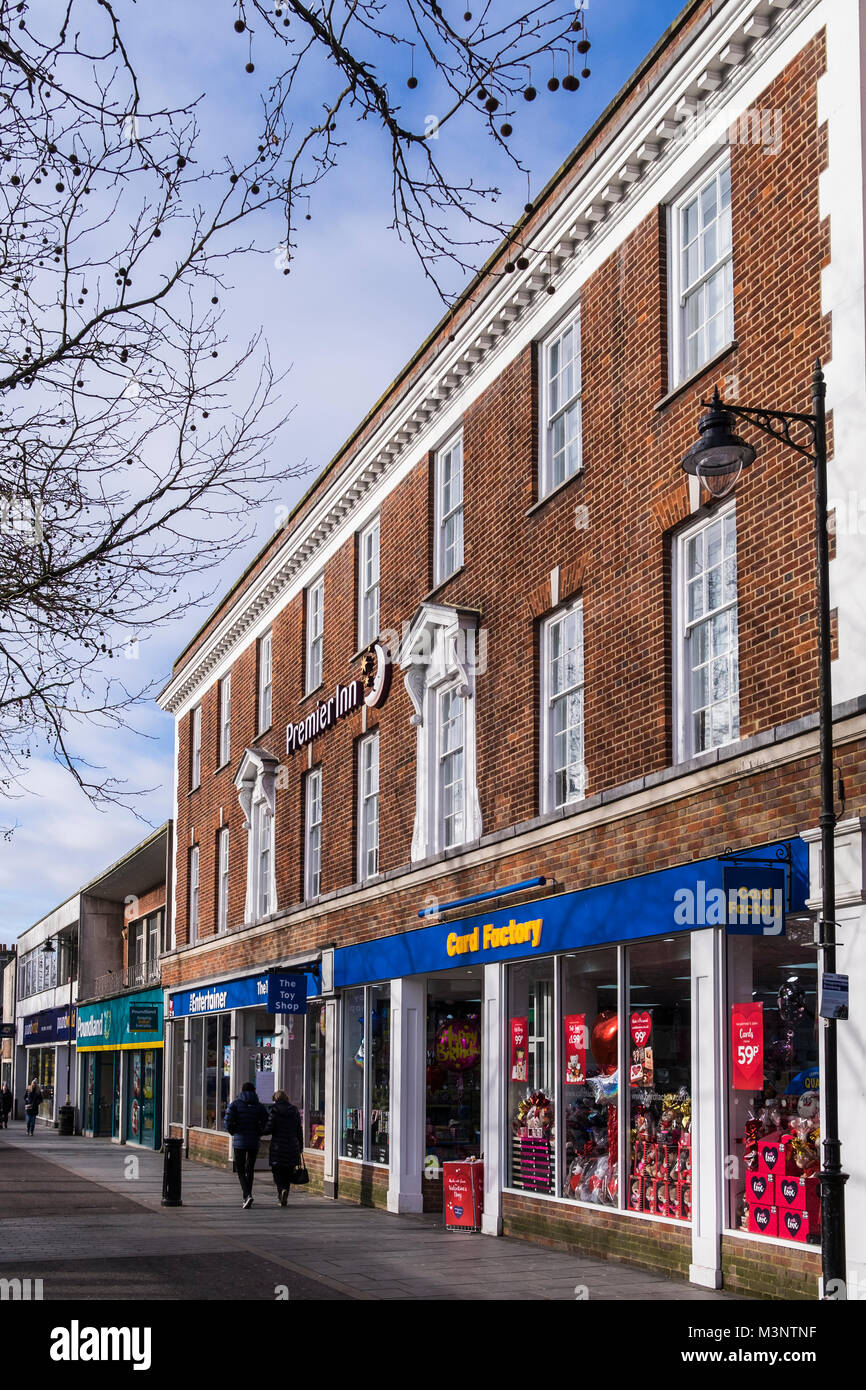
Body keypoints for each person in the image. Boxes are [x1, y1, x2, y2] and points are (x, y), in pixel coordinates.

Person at [224, 1080, 268, 1208]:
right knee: (250, 1169)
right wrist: (260, 1132)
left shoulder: (235, 1105)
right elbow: (266, 1121)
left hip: (239, 1141)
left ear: (242, 1091)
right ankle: (248, 1195)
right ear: (254, 1091)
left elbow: (227, 1121)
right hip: (254, 1141)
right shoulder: (259, 1106)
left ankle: (247, 1195)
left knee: (241, 1169)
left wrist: (233, 1132)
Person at [264, 1090, 304, 1206]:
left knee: (277, 1171)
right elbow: (298, 1130)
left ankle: (281, 1191)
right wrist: (300, 1146)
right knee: (288, 1171)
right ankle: (285, 1191)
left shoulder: (274, 1110)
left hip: (278, 1146)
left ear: (275, 1099)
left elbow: (269, 1128)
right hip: (292, 1145)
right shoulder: (294, 1110)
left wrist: (259, 1131)